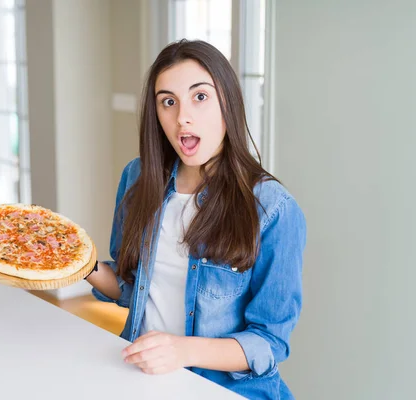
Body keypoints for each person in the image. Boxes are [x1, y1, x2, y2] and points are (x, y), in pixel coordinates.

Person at [86, 39, 306, 399]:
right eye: (168, 101)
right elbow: (134, 289)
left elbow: (269, 342)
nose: (182, 116)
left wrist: (182, 350)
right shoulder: (138, 178)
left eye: (199, 97)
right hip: (144, 378)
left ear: (227, 103)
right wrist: (79, 263)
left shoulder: (273, 209)